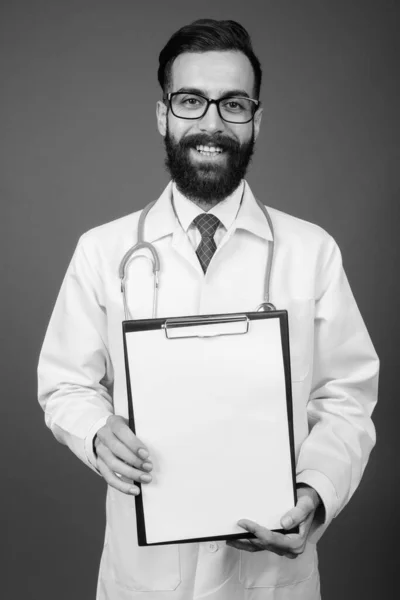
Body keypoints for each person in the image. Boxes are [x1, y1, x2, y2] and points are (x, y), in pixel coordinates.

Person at [37, 18, 379, 600]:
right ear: (163, 114)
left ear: (257, 119)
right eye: (191, 101)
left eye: (234, 104)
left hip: (270, 577)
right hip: (144, 574)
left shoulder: (312, 251)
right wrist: (97, 433)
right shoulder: (103, 250)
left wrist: (315, 496)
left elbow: (346, 398)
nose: (212, 124)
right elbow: (65, 383)